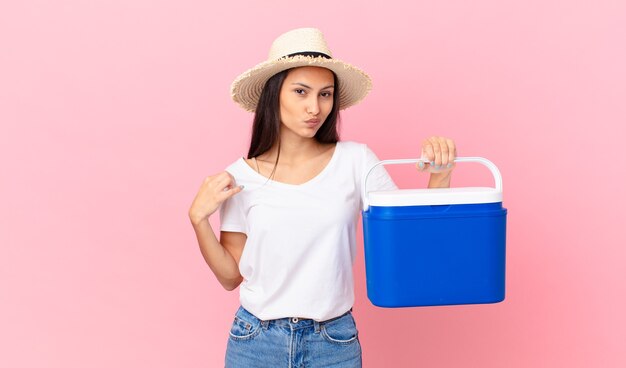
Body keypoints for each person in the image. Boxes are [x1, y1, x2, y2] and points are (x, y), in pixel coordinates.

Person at [188, 28, 457, 368]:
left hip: (334, 343)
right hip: (255, 341)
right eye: (300, 92)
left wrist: (441, 174)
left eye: (325, 94)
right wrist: (198, 220)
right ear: (274, 95)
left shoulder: (356, 161)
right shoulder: (240, 177)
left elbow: (413, 241)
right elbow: (230, 277)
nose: (314, 107)